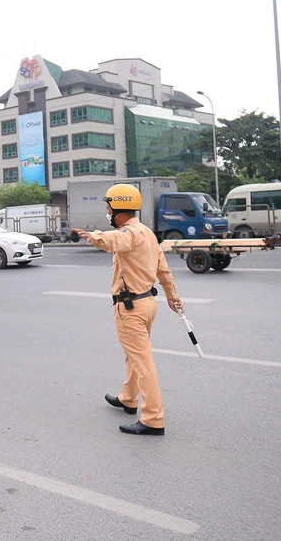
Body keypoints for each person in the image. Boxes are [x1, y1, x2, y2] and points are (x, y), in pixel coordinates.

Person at [72, 183, 184, 436]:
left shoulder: (129, 233)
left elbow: (113, 240)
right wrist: (172, 295)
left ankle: (153, 419)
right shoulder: (148, 233)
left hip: (131, 308)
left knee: (142, 363)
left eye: (109, 208)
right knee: (133, 356)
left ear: (119, 210)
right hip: (147, 304)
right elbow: (163, 269)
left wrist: (92, 236)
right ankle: (128, 398)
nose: (107, 212)